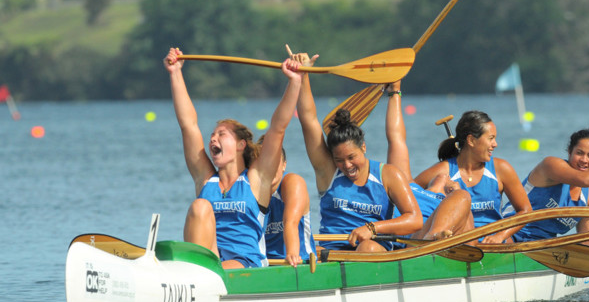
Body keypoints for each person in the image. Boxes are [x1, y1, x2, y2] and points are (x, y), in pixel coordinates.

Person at [163, 47, 302, 269]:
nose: (212, 140)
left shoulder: (257, 179)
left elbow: (277, 129)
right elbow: (188, 125)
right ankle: (197, 274)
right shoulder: (205, 180)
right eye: (212, 136)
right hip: (212, 262)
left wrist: (295, 81)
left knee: (216, 265)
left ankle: (200, 275)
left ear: (240, 145)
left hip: (247, 264)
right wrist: (175, 73)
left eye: (221, 134)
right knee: (200, 206)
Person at [292, 51, 423, 252]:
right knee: (308, 252)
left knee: (367, 248)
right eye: (339, 160)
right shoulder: (328, 171)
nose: (347, 166)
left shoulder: (388, 175)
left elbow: (414, 219)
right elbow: (308, 120)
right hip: (332, 252)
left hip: (373, 249)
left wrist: (372, 228)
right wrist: (304, 74)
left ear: (363, 147)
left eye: (351, 157)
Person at [502, 128, 589, 279]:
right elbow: (585, 180)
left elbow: (587, 240)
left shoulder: (588, 199)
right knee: (506, 246)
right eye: (579, 153)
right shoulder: (550, 166)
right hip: (507, 233)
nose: (584, 160)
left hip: (542, 249)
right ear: (569, 152)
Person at [414, 110, 532, 243]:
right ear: (471, 140)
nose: (495, 144)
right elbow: (407, 192)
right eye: (491, 138)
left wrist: (501, 235)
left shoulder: (501, 169)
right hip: (459, 241)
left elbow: (526, 211)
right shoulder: (443, 171)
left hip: (492, 243)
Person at [384, 79, 474, 240]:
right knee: (462, 196)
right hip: (415, 242)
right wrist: (394, 92)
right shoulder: (407, 186)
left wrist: (457, 193)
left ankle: (435, 236)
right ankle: (432, 237)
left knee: (463, 197)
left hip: (443, 236)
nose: (447, 176)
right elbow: (396, 139)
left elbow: (471, 236)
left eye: (450, 180)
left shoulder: (452, 200)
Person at [259, 137, 316, 267]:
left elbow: (291, 223)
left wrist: (292, 253)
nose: (269, 167)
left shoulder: (292, 183)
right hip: (264, 265)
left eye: (274, 161)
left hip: (299, 263)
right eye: (264, 162)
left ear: (284, 165)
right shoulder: (249, 190)